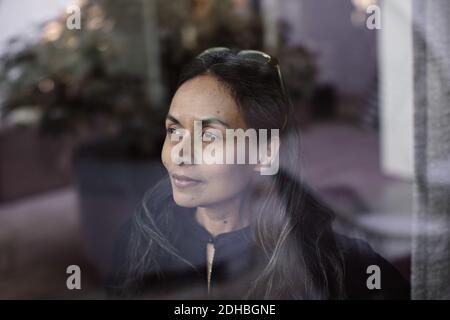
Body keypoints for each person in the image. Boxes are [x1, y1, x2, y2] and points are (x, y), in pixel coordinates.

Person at [107, 47, 410, 299]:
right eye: (174, 130)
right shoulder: (138, 246)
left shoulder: (323, 246)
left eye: (209, 136)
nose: (178, 154)